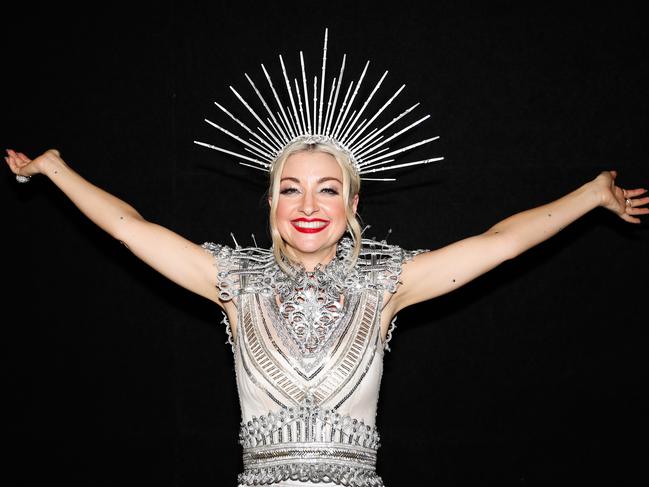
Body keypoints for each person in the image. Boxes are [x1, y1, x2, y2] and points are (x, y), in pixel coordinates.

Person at [4, 141, 647, 487]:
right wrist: (57, 171)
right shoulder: (233, 280)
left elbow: (500, 242)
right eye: (290, 188)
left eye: (328, 188)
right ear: (272, 204)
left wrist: (590, 196)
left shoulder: (386, 281)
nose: (308, 203)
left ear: (352, 203)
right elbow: (128, 228)